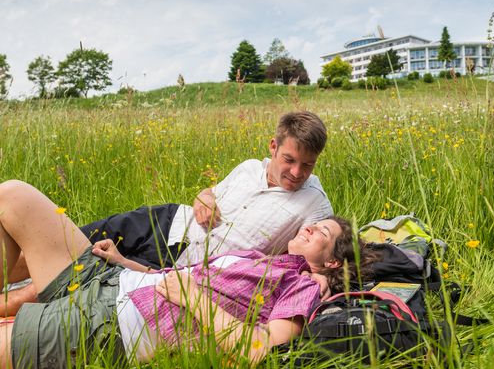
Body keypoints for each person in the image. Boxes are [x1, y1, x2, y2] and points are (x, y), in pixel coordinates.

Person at [0, 180, 371, 369]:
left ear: (333, 260)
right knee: (14, 195)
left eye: (320, 229)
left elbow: (259, 350)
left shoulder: (302, 288)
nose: (308, 226)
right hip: (111, 278)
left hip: (108, 326)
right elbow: (176, 277)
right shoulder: (266, 259)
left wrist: (194, 298)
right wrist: (122, 260)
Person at [1, 111, 333, 315]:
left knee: (74, 268)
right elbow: (209, 194)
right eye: (290, 159)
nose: (297, 171)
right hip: (168, 222)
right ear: (273, 147)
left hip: (179, 265)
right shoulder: (249, 168)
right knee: (64, 239)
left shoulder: (313, 201)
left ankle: (14, 303)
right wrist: (203, 196)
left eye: (307, 164)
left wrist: (321, 278)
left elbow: (328, 245)